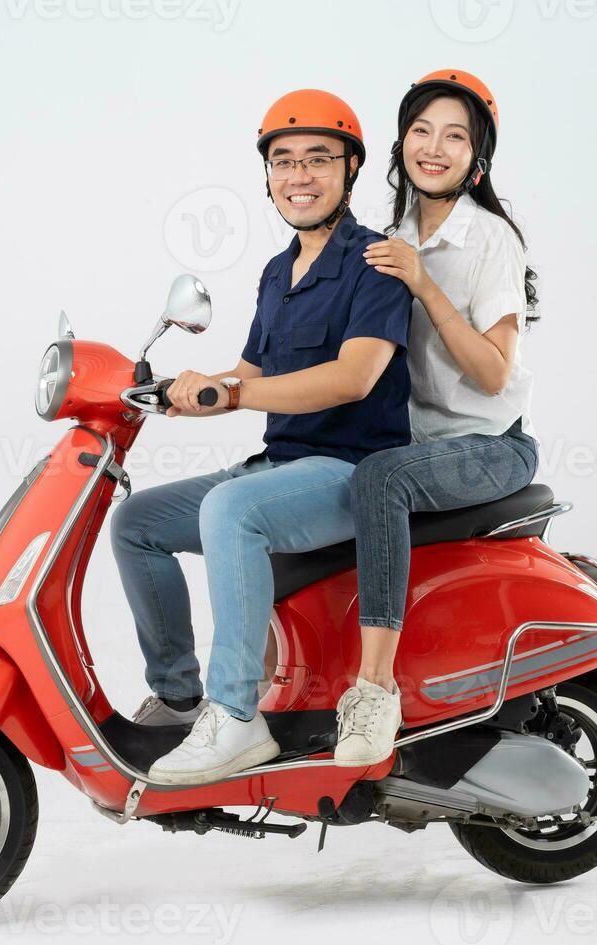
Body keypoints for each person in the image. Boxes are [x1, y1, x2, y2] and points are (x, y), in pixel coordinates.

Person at [109, 89, 412, 785]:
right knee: (136, 522)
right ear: (267, 175)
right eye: (284, 161)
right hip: (278, 464)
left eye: (318, 160)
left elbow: (354, 379)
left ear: (351, 170)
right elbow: (250, 372)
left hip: (349, 471)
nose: (299, 175)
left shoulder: (376, 263)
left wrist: (237, 392)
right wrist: (185, 394)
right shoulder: (278, 272)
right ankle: (183, 699)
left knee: (229, 510)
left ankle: (236, 717)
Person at [332, 69, 542, 766]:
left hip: (489, 445)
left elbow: (492, 373)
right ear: (400, 144)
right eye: (421, 130)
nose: (434, 146)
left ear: (476, 160)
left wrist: (423, 282)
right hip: (418, 441)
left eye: (454, 136)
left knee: (380, 480)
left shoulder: (490, 242)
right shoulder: (388, 236)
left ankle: (373, 690)